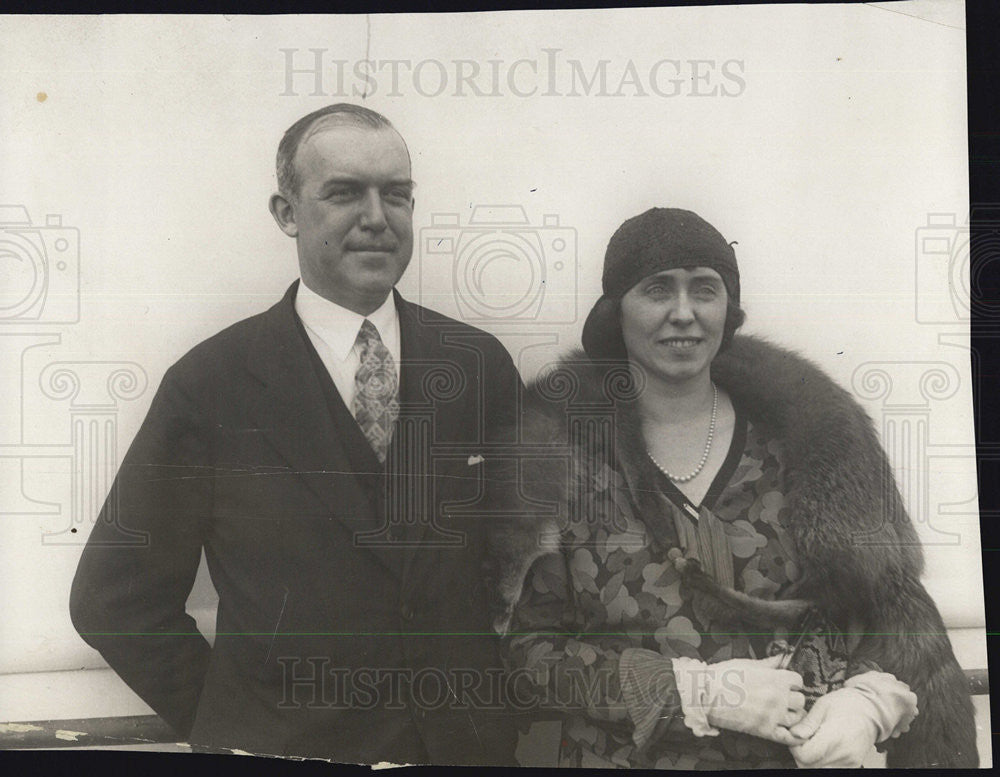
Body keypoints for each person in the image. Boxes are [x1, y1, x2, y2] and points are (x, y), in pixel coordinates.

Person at [69, 103, 522, 765]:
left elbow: (523, 570)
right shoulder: (211, 384)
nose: (377, 216)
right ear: (286, 213)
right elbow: (113, 598)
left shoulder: (478, 366)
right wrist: (237, 723)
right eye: (343, 192)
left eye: (397, 194)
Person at [486, 208, 977, 768]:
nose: (684, 314)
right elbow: (527, 655)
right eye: (656, 291)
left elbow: (870, 617)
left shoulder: (806, 449)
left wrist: (866, 702)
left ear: (729, 309)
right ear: (614, 312)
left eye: (705, 290)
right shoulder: (566, 459)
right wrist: (691, 693)